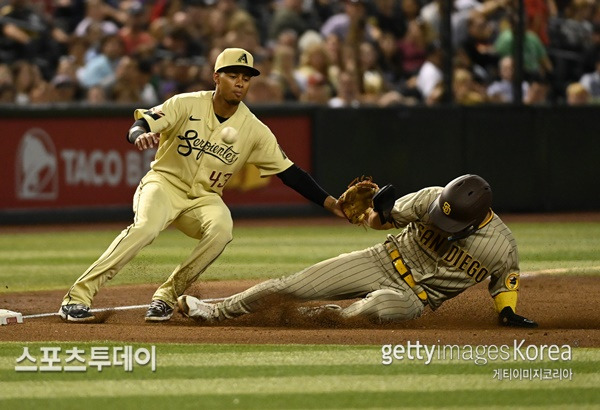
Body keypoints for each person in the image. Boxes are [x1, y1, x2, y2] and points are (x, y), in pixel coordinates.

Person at [59, 47, 344, 322]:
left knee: (222, 229)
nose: (240, 83)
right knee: (145, 228)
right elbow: (143, 124)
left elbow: (290, 173)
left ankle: (166, 298)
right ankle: (78, 298)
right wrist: (138, 135)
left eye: (246, 78)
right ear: (216, 77)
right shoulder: (185, 103)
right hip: (164, 183)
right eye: (233, 75)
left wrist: (330, 203)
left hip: (204, 197)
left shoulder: (255, 129)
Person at [178, 174, 538, 328]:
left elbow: (504, 281)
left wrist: (507, 311)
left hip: (414, 297)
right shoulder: (432, 198)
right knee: (294, 285)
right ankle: (217, 311)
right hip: (381, 260)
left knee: (363, 313)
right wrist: (371, 215)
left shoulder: (501, 246)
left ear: (478, 220)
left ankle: (323, 316)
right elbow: (384, 220)